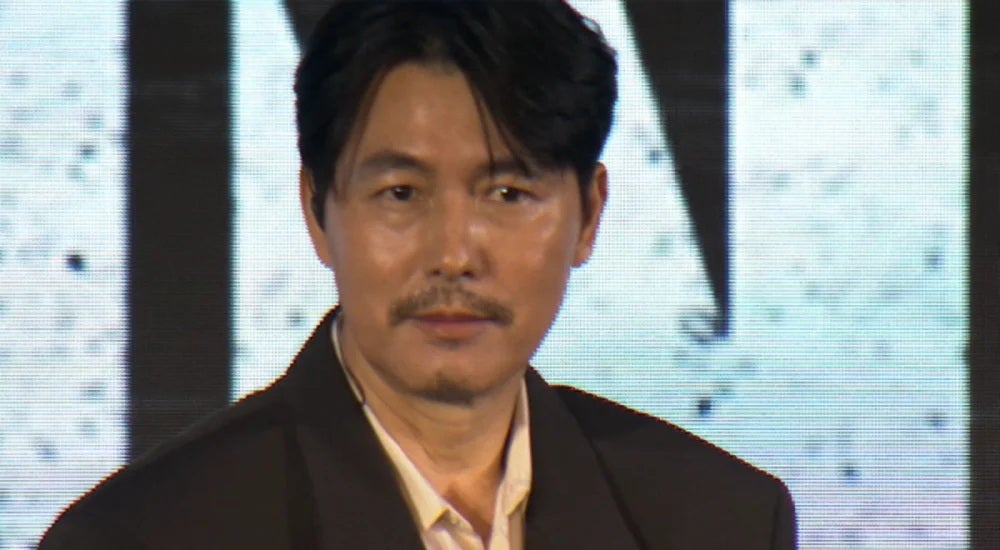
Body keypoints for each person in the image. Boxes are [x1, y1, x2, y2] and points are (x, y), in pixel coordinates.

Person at [40, 1, 796, 548]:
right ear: (317, 211)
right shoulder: (144, 536)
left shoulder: (719, 522)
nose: (455, 254)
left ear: (589, 215)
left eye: (508, 194)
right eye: (401, 194)